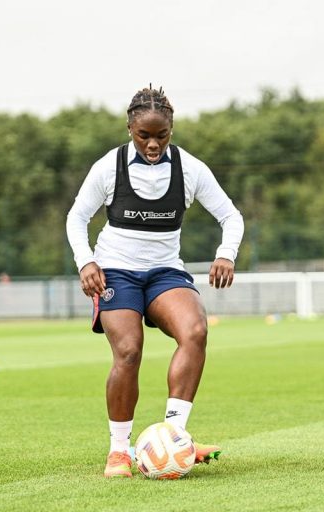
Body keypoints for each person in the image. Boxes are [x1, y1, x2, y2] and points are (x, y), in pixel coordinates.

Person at [66, 86, 244, 478]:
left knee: (195, 331)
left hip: (165, 271)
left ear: (171, 130)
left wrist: (225, 253)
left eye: (160, 135)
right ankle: (118, 451)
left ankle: (174, 438)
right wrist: (86, 262)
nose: (152, 144)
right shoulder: (108, 167)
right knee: (129, 351)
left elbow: (231, 217)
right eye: (143, 135)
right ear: (129, 127)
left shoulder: (191, 169)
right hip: (115, 271)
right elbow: (76, 218)